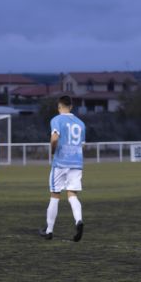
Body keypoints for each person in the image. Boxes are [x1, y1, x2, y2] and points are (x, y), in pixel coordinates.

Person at [39, 95, 86, 242]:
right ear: (71, 106)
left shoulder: (57, 120)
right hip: (76, 162)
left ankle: (49, 230)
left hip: (61, 162)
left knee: (55, 194)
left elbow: (54, 139)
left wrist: (53, 151)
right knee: (72, 194)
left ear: (59, 106)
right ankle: (78, 220)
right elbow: (82, 144)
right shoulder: (81, 123)